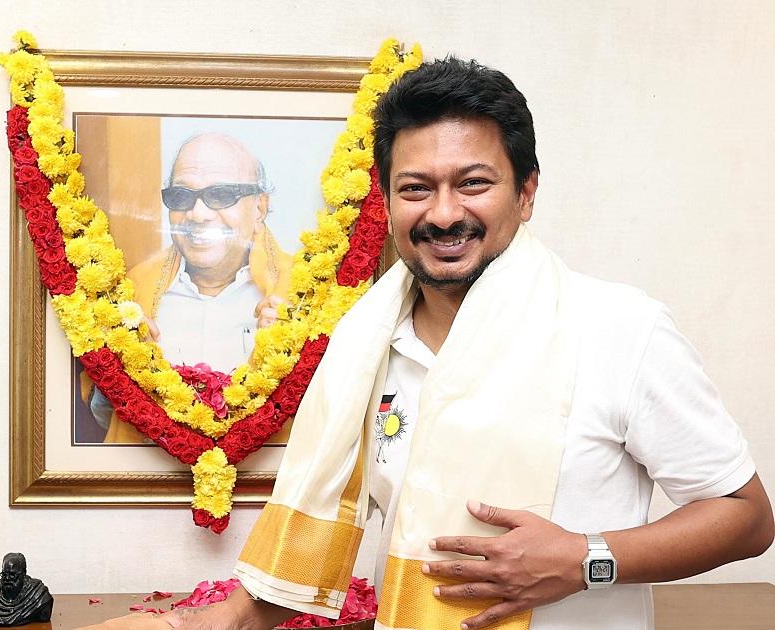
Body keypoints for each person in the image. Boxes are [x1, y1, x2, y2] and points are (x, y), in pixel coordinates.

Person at [98, 58, 774, 630]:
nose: (444, 214)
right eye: (416, 189)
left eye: (473, 183)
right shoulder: (365, 346)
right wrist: (191, 622)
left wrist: (585, 559)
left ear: (526, 192)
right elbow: (303, 566)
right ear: (389, 203)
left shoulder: (620, 328)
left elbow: (746, 519)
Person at [97, 132, 295, 443]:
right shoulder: (134, 291)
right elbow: (100, 414)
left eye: (221, 194)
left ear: (259, 208)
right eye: (181, 196)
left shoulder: (300, 291)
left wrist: (294, 353)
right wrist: (120, 365)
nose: (198, 214)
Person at [0, 553, 53, 626]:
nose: (7, 578)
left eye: (12, 575)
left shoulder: (38, 595)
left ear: (24, 573)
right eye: (4, 574)